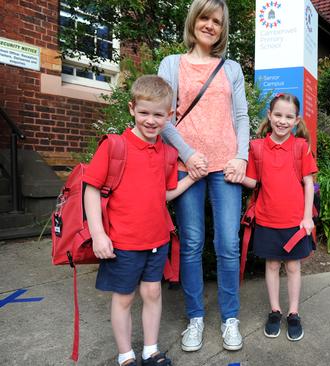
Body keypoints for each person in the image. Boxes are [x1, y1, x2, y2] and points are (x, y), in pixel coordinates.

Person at [84, 75, 200, 366]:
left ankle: (150, 350)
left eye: (159, 114)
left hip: (156, 240)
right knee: (123, 298)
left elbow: (164, 195)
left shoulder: (168, 153)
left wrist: (191, 179)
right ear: (132, 108)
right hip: (122, 242)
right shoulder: (115, 146)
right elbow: (92, 188)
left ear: (169, 116)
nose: (151, 120)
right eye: (144, 112)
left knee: (152, 292)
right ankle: (125, 355)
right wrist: (98, 234)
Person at [157, 0, 250, 352]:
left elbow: (241, 117)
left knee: (227, 245)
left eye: (217, 21)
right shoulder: (171, 64)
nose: (210, 25)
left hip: (226, 166)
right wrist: (188, 153)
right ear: (193, 20)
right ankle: (195, 318)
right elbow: (163, 117)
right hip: (187, 168)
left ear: (222, 28)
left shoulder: (231, 68)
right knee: (192, 245)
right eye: (205, 18)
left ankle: (230, 318)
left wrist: (241, 157)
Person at [241, 93, 318, 342]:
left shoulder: (300, 147)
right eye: (278, 115)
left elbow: (309, 183)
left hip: (295, 221)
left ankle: (293, 313)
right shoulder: (257, 147)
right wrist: (232, 173)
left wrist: (308, 218)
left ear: (296, 120)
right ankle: (275, 310)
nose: (282, 121)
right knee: (272, 265)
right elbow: (253, 181)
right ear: (269, 115)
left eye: (288, 117)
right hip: (266, 218)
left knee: (293, 266)